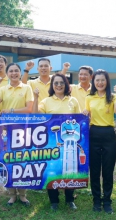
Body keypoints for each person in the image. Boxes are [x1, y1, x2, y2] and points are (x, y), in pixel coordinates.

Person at [32, 73, 81, 211]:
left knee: (69, 168)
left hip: (69, 142)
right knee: (52, 168)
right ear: (52, 86)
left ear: (66, 85)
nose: (59, 85)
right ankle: (54, 201)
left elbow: (79, 119)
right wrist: (35, 98)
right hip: (51, 142)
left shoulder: (73, 101)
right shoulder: (46, 101)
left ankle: (70, 199)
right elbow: (36, 115)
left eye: (61, 83)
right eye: (56, 83)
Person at [0, 62, 34, 206]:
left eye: (16, 71)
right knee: (8, 159)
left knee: (21, 160)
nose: (14, 73)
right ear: (7, 73)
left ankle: (22, 194)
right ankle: (11, 194)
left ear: (20, 73)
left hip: (22, 129)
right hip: (6, 129)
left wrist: (10, 111)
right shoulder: (4, 88)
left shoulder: (27, 88)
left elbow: (29, 109)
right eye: (11, 71)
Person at [83, 70, 116, 214]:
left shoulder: (112, 97)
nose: (100, 83)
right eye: (97, 80)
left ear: (107, 82)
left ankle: (107, 201)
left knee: (107, 169)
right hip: (93, 133)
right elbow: (86, 115)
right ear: (93, 82)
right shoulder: (89, 97)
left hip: (108, 134)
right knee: (94, 170)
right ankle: (96, 200)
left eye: (103, 80)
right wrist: (84, 113)